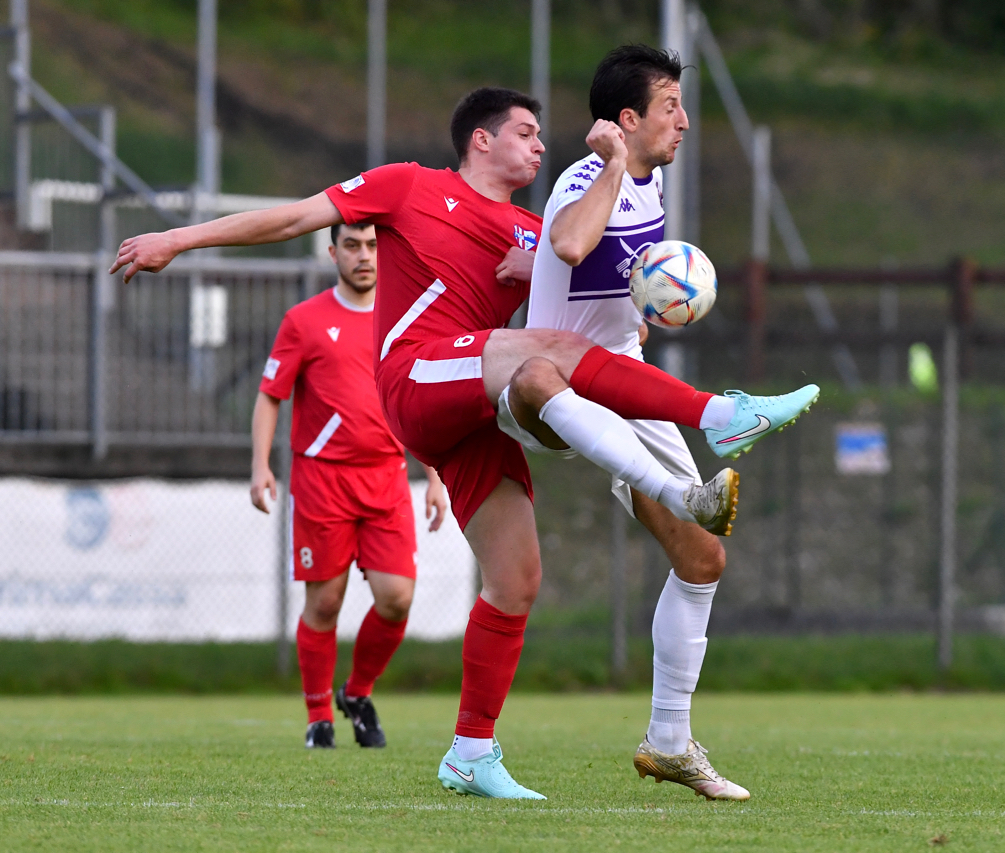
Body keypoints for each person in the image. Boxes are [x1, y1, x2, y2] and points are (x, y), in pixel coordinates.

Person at [111, 87, 817, 800]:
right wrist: (178, 240)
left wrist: (624, 302)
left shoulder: (531, 234)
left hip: (472, 408)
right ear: (482, 139)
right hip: (416, 371)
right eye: (526, 133)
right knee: (547, 352)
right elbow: (294, 216)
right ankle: (717, 418)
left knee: (516, 579)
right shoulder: (407, 186)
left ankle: (471, 752)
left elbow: (593, 293)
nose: (540, 146)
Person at [526, 44, 752, 800]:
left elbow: (603, 268)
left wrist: (640, 311)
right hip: (567, 387)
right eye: (670, 107)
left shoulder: (649, 183)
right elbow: (568, 242)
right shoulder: (589, 175)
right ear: (627, 120)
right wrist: (613, 166)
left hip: (620, 378)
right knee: (691, 531)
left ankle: (669, 743)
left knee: (703, 558)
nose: (683, 122)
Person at [250, 221, 448, 750]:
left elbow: (417, 401)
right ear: (332, 251)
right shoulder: (303, 320)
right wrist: (261, 465)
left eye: (374, 246)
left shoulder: (403, 320)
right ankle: (319, 717)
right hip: (322, 479)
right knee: (325, 603)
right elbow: (271, 394)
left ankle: (357, 693)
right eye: (353, 246)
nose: (364, 256)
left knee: (396, 598)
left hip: (386, 476)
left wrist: (434, 477)